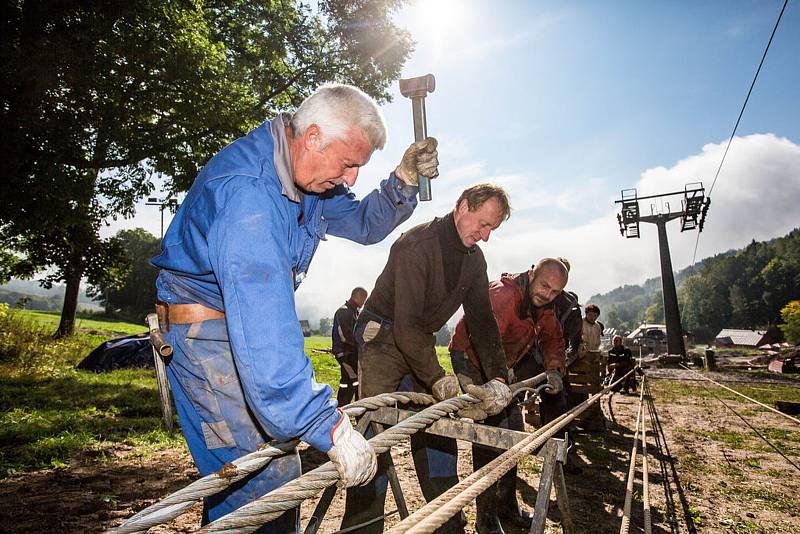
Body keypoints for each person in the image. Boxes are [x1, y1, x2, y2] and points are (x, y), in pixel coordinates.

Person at [151, 84, 439, 531]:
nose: (350, 179)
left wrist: (401, 180)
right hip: (205, 334)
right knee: (264, 486)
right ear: (312, 137)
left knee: (268, 476)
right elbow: (263, 325)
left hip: (235, 324)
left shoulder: (309, 179)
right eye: (348, 164)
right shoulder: (249, 195)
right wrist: (329, 427)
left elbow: (363, 222)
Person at [341, 184, 513, 534]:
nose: (485, 236)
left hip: (417, 338)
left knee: (438, 427)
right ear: (463, 206)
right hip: (384, 337)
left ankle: (447, 523)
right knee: (375, 436)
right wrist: (437, 378)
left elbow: (482, 320)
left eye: (491, 230)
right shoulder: (415, 245)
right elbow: (405, 325)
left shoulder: (475, 260)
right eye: (482, 225)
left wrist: (498, 379)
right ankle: (361, 527)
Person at [449, 258, 568, 534]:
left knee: (513, 432)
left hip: (501, 366)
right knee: (490, 436)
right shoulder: (504, 295)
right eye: (544, 286)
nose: (547, 295)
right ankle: (485, 518)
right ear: (531, 274)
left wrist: (554, 368)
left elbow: (553, 337)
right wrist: (499, 380)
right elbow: (485, 341)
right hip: (473, 359)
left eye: (554, 292)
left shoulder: (544, 304)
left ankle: (505, 504)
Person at [332, 287, 368, 405]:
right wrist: (360, 346)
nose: (364, 303)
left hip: (351, 353)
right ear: (358, 297)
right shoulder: (344, 311)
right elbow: (345, 335)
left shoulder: (353, 311)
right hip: (345, 354)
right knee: (351, 382)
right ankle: (342, 409)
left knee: (351, 382)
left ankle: (347, 408)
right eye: (364, 299)